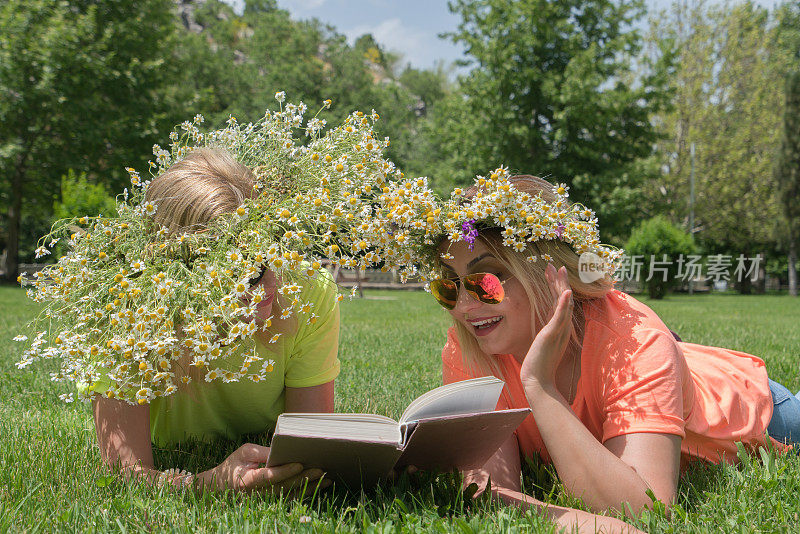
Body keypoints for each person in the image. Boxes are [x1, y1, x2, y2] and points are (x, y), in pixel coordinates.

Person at [424, 173, 799, 529]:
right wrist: (562, 517)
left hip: (760, 412)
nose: (463, 307)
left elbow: (644, 509)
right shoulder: (470, 345)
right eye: (448, 286)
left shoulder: (637, 342)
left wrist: (538, 386)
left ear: (551, 272)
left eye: (485, 280)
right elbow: (488, 490)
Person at [92, 148, 341, 492]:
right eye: (246, 273)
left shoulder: (307, 292)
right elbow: (127, 474)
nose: (270, 284)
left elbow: (310, 445)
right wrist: (207, 483)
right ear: (180, 273)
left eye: (275, 254)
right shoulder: (126, 308)